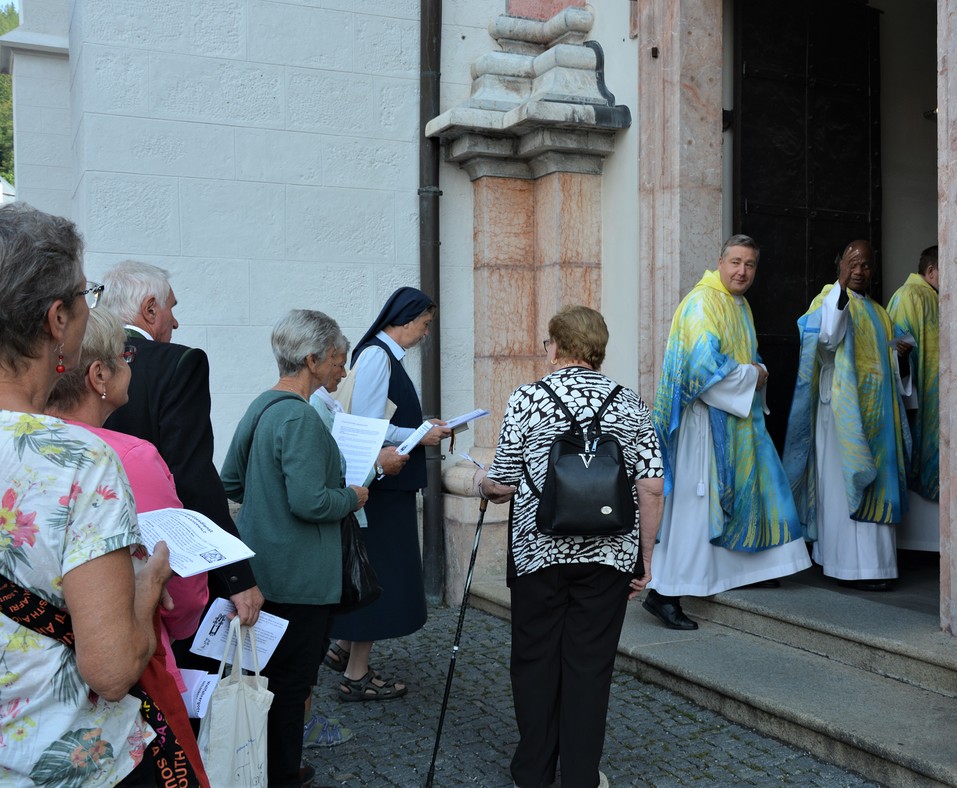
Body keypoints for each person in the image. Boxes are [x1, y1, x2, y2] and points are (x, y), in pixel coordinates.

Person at [0, 203, 174, 785]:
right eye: (85, 295)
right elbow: (112, 669)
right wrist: (147, 589)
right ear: (57, 319)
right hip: (66, 761)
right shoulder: (80, 458)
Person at [477, 305, 664, 788]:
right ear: (598, 349)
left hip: (538, 551)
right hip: (609, 554)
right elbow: (651, 487)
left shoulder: (527, 398)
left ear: (556, 346)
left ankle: (533, 772)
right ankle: (581, 775)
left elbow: (503, 483)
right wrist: (645, 558)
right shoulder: (630, 403)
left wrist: (480, 482)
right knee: (590, 665)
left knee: (534, 659)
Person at [45, 305, 210, 783]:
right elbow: (182, 586)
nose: (130, 366)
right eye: (125, 356)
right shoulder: (129, 457)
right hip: (122, 685)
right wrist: (163, 601)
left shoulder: (27, 444)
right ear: (99, 375)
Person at [222, 309, 368, 787]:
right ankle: (281, 776)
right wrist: (352, 497)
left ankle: (263, 770)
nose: (342, 370)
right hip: (301, 578)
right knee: (290, 687)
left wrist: (267, 506)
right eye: (338, 359)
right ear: (312, 359)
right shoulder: (300, 417)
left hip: (262, 568)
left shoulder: (262, 404)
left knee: (266, 681)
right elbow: (310, 502)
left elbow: (230, 481)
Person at [644, 235, 812, 631]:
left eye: (750, 265)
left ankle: (746, 569)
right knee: (695, 508)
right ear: (720, 262)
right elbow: (702, 368)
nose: (742, 271)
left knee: (752, 493)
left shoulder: (738, 304)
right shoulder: (702, 302)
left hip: (736, 421)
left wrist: (754, 370)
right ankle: (664, 593)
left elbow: (739, 358)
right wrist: (753, 374)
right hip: (705, 425)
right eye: (736, 262)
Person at [102, 260, 264, 630]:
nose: (174, 322)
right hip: (165, 557)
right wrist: (236, 576)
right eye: (171, 308)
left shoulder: (75, 360)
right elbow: (192, 475)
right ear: (149, 309)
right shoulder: (178, 362)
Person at [326, 287, 450, 701]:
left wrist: (421, 428)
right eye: (425, 324)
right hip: (380, 485)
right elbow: (368, 425)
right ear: (406, 318)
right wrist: (422, 434)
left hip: (382, 483)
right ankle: (357, 675)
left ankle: (344, 649)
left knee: (371, 569)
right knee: (377, 574)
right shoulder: (379, 356)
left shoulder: (381, 354)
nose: (426, 333)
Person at [784, 240, 912, 592]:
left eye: (865, 265)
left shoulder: (880, 313)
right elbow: (827, 338)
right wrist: (839, 288)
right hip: (842, 412)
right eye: (852, 264)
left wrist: (901, 358)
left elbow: (893, 369)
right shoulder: (826, 299)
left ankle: (878, 564)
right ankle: (845, 565)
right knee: (843, 487)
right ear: (839, 265)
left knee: (877, 485)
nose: (858, 271)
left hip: (879, 415)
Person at [887, 245, 939, 503]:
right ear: (931, 271)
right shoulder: (908, 296)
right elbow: (895, 350)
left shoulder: (935, 296)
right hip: (921, 401)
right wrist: (902, 358)